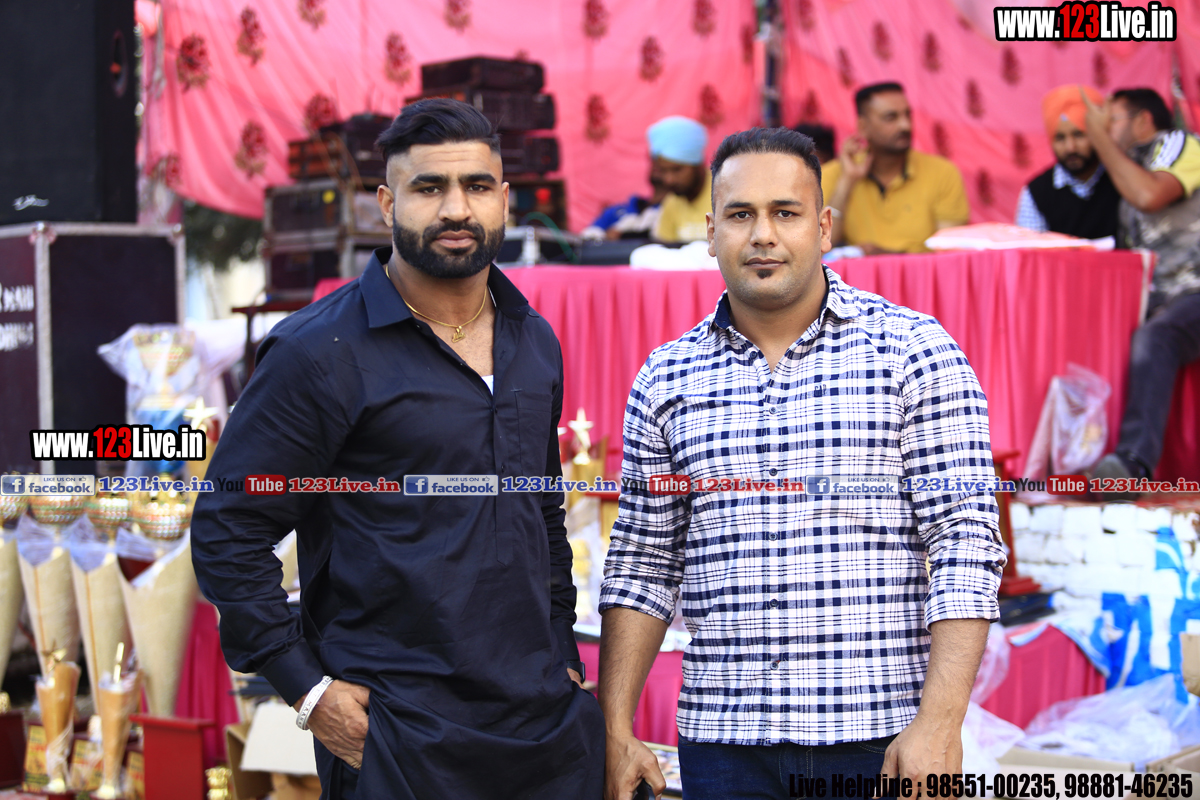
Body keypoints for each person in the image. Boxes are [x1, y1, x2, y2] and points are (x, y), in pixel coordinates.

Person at [190, 98, 605, 799]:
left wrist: (562, 649)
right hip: (396, 732)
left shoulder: (532, 340)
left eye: (476, 186)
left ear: (505, 200)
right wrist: (309, 691)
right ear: (387, 204)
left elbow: (539, 509)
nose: (456, 209)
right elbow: (228, 528)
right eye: (428, 187)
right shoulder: (319, 351)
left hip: (541, 727)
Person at [599, 127, 1005, 800]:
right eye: (740, 215)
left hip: (881, 741)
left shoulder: (913, 352)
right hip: (724, 748)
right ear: (710, 232)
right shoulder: (666, 377)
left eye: (785, 213)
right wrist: (615, 727)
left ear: (823, 227)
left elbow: (964, 541)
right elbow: (643, 561)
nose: (762, 235)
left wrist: (940, 723)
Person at [1081, 87, 1200, 491]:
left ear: (1144, 121)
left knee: (1157, 336)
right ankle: (1072, 456)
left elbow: (1150, 195)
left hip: (1194, 290)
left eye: (1112, 120)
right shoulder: (1130, 167)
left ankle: (1131, 464)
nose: (1104, 128)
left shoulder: (1178, 144)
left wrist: (1098, 138)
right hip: (1159, 297)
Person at [822, 82, 969, 254]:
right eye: (891, 117)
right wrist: (847, 181)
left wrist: (883, 258)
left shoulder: (943, 173)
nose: (905, 125)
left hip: (923, 273)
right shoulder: (832, 175)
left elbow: (950, 255)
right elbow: (821, 248)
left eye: (907, 115)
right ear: (863, 127)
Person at [1015, 85, 1121, 239]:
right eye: (1060, 138)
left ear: (1097, 133)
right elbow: (1031, 250)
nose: (1070, 148)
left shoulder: (1122, 180)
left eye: (1078, 135)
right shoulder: (1036, 193)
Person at [649, 116, 712, 243]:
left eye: (677, 170)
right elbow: (664, 250)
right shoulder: (671, 203)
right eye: (663, 171)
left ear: (697, 163)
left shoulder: (726, 194)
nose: (669, 180)